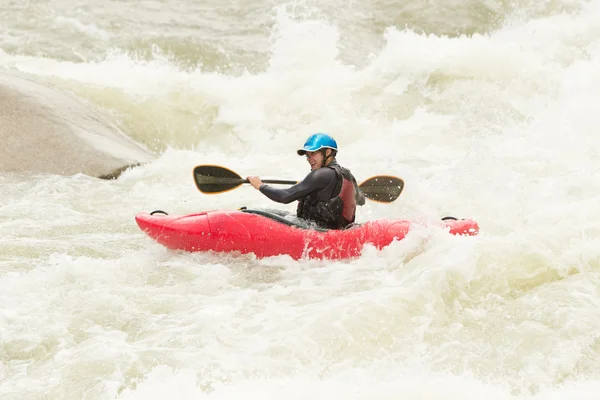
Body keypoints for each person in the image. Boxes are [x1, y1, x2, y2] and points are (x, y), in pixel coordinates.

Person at [247, 133, 366, 229]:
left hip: (319, 233)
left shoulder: (320, 175)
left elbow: (285, 197)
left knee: (252, 214)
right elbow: (361, 200)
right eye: (308, 156)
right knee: (259, 212)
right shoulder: (347, 174)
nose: (309, 159)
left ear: (328, 152)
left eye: (313, 154)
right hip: (335, 231)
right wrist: (309, 192)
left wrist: (260, 186)